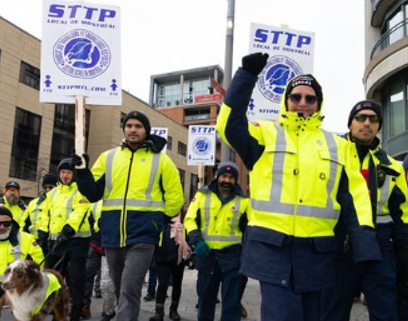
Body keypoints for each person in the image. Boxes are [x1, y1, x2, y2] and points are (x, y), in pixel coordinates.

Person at [215, 52, 382, 321]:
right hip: (272, 249)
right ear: (286, 101)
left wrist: (365, 245)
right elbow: (228, 125)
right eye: (296, 97)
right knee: (283, 315)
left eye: (310, 98)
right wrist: (246, 76)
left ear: (318, 103)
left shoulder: (339, 146)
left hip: (318, 252)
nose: (302, 103)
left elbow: (357, 198)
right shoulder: (264, 134)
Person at [71, 110, 184, 321]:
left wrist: (156, 222)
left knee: (129, 288)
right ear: (124, 129)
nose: (133, 129)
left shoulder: (162, 160)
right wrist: (82, 171)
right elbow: (92, 194)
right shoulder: (108, 157)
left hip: (143, 236)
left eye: (138, 126)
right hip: (113, 234)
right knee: (120, 286)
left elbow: (176, 199)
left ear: (146, 131)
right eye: (129, 125)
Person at [320, 100, 408, 321]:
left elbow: (402, 215)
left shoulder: (393, 167)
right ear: (350, 123)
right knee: (332, 314)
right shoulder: (330, 159)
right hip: (338, 249)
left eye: (373, 119)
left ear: (379, 126)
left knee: (385, 313)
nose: (366, 123)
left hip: (379, 250)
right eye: (361, 117)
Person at [184, 161, 250, 321]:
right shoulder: (201, 195)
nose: (226, 180)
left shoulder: (244, 201)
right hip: (207, 256)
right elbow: (189, 220)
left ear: (235, 180)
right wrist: (197, 241)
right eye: (224, 176)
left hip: (233, 258)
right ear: (217, 177)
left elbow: (249, 229)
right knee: (205, 302)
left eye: (231, 177)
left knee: (231, 304)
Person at [41, 158, 92, 321]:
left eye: (69, 172)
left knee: (75, 279)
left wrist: (68, 230)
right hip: (56, 243)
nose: (65, 175)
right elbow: (44, 213)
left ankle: (76, 313)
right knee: (55, 281)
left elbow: (81, 211)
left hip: (76, 242)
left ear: (74, 174)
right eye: (63, 172)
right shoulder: (53, 193)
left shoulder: (81, 191)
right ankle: (58, 315)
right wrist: (42, 233)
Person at [149, 212, 192, 321]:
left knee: (177, 284)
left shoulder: (184, 223)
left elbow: (189, 240)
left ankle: (174, 310)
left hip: (178, 259)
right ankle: (159, 312)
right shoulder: (161, 220)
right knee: (162, 283)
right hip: (163, 257)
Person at [0, 206, 44, 299]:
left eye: (6, 223)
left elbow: (39, 262)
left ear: (12, 223)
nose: (2, 227)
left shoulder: (27, 239)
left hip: (18, 287)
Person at [21, 173, 58, 254]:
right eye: (45, 187)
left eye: (51, 187)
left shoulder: (60, 203)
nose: (48, 189)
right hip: (35, 243)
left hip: (54, 243)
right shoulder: (33, 203)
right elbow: (23, 224)